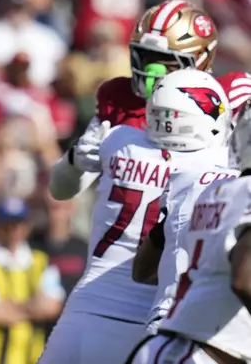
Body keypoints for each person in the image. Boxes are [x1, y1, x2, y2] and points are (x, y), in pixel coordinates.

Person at [37, 69, 232, 364]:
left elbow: (58, 189)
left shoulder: (120, 139)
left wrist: (76, 159)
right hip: (159, 322)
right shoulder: (215, 168)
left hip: (88, 306)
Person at [49, 0, 251, 201]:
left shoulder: (231, 96)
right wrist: (74, 163)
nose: (152, 72)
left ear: (200, 61)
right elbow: (61, 191)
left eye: (167, 62)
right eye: (146, 58)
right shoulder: (119, 100)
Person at [127, 101, 251, 364]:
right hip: (203, 353)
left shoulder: (213, 190)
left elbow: (142, 267)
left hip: (177, 343)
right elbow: (244, 278)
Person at [0, 198, 65, 364]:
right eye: (7, 224)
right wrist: (33, 306)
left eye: (18, 224)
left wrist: (9, 307)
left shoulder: (41, 261)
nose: (13, 230)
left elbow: (52, 307)